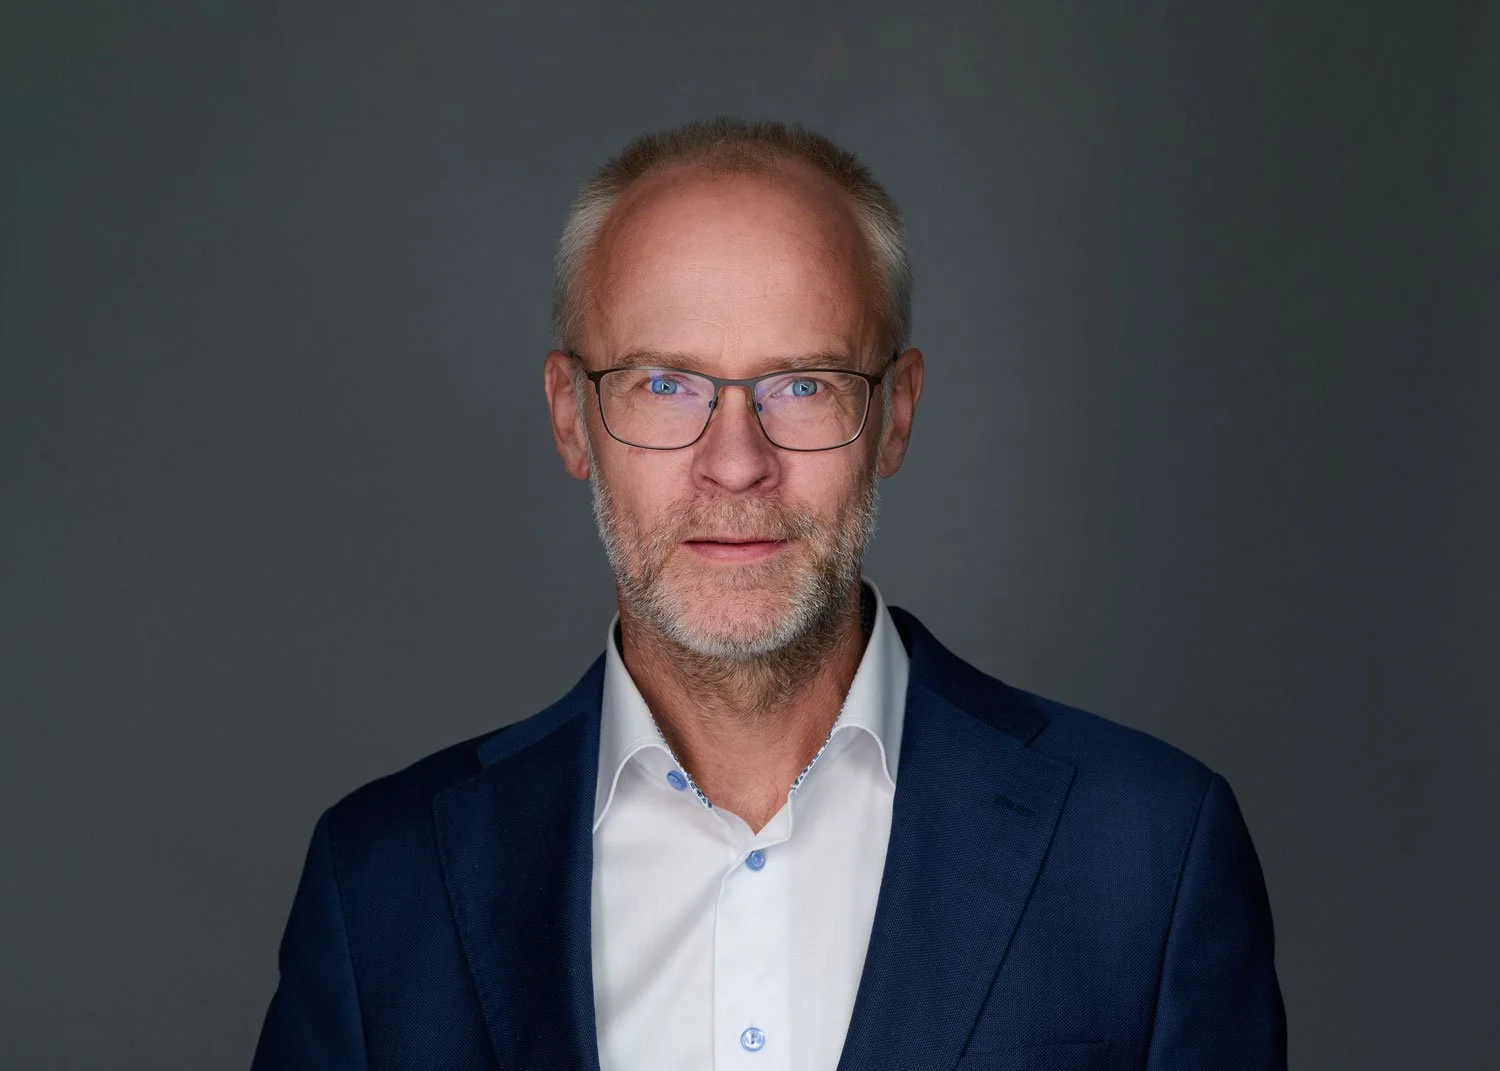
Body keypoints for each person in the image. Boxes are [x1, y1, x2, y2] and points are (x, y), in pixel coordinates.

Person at [251, 117, 1286, 1071]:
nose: (735, 463)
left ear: (896, 416)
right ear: (572, 417)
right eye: (664, 383)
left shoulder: (1147, 854)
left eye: (803, 384)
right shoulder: (381, 885)